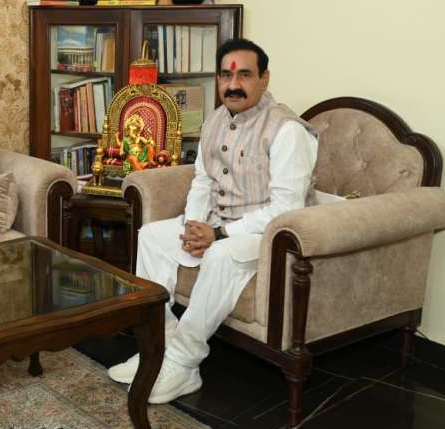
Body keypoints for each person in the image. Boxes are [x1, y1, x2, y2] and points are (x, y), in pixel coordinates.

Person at [107, 38, 319, 404]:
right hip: (218, 224)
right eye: (225, 75)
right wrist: (193, 224)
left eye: (245, 75)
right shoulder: (216, 120)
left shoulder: (287, 130)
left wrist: (219, 233)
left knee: (221, 255)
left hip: (269, 234)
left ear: (265, 79)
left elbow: (287, 207)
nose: (233, 85)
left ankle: (184, 363)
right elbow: (203, 180)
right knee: (152, 236)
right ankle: (160, 348)